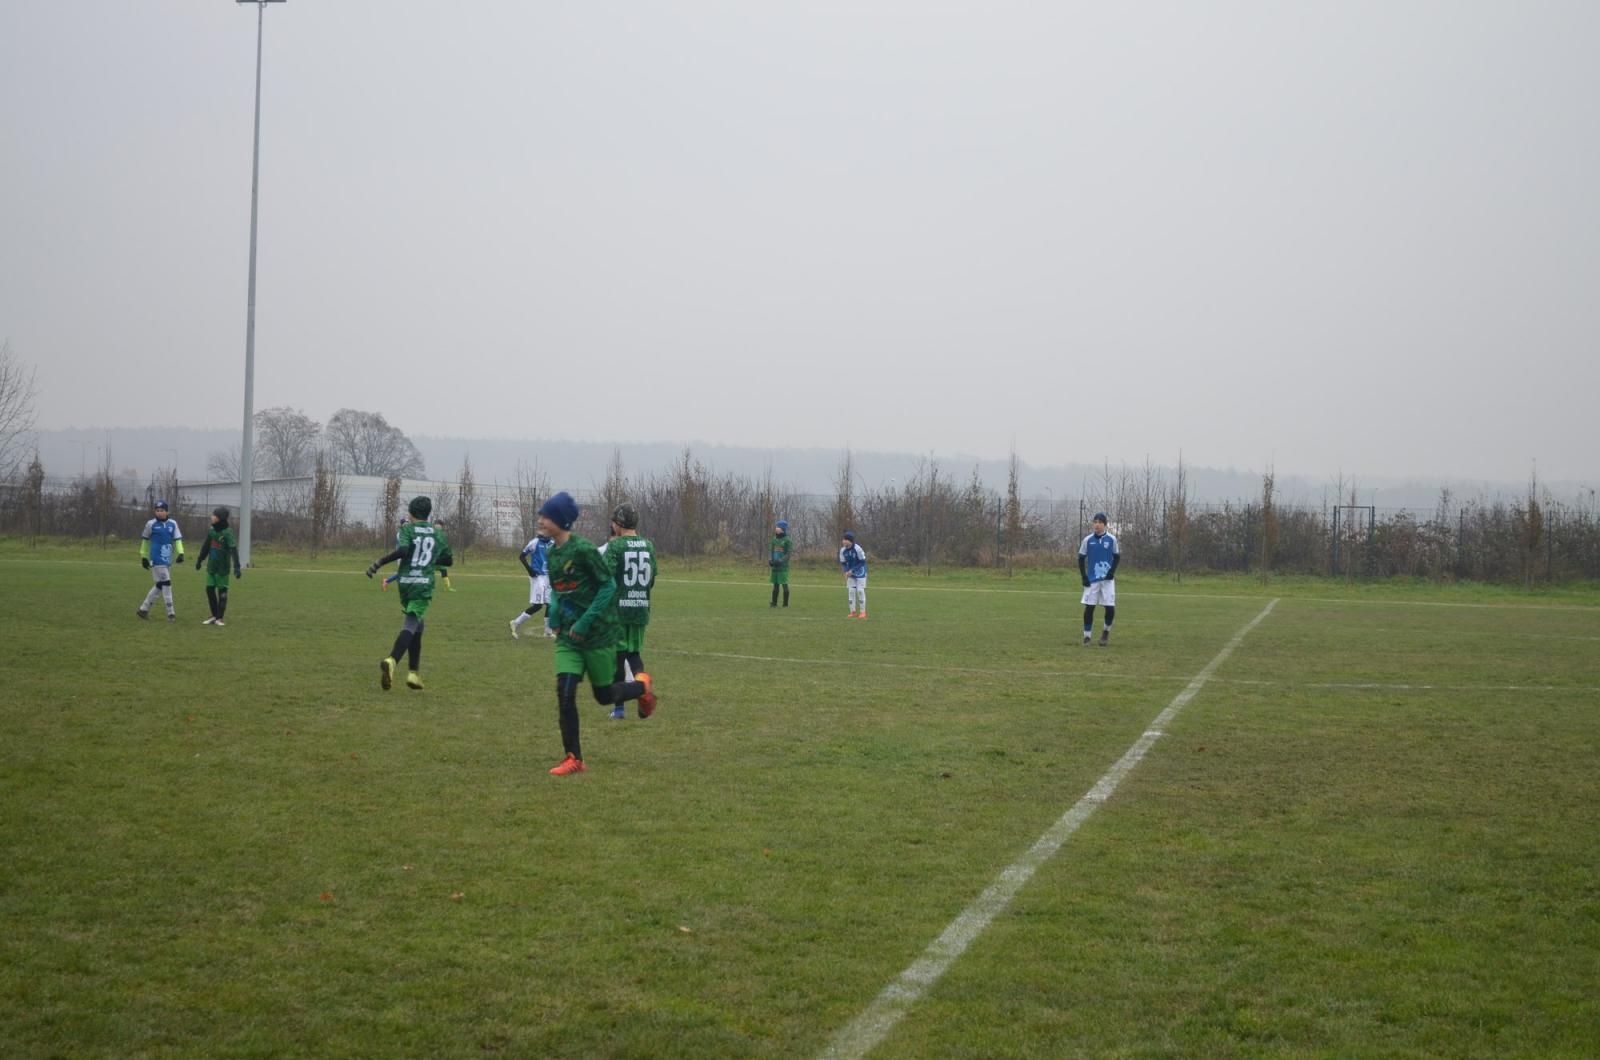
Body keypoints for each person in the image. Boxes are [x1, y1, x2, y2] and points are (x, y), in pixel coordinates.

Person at [539, 491, 655, 776]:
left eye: (546, 516)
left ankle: (641, 688)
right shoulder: (553, 552)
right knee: (565, 692)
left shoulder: (587, 550)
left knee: (604, 694)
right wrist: (555, 616)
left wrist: (585, 621)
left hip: (599, 632)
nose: (541, 520)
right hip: (571, 637)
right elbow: (557, 589)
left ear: (560, 521)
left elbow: (607, 587)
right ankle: (573, 758)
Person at [365, 496, 453, 690]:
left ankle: (413, 674)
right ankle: (392, 660)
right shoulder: (438, 534)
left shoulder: (406, 529)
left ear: (411, 513)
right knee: (412, 622)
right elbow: (448, 561)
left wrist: (379, 562)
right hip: (423, 585)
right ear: (428, 513)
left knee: (418, 625)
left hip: (405, 584)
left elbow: (403, 551)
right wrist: (431, 557)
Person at [605, 502, 658, 720]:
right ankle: (643, 685)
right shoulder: (648, 545)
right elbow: (652, 577)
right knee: (634, 654)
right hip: (640, 608)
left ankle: (618, 709)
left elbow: (604, 576)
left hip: (618, 610)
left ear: (618, 524)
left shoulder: (616, 546)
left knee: (616, 659)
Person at [136, 499, 184, 621]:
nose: (159, 513)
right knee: (167, 583)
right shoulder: (150, 524)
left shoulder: (173, 523)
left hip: (167, 558)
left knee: (160, 585)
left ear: (167, 511)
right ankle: (171, 613)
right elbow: (145, 541)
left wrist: (181, 553)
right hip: (156, 559)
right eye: (157, 510)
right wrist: (143, 556)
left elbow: (177, 539)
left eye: (162, 510)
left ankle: (143, 609)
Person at [1078, 512, 1121, 646]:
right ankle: (1087, 636)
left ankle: (1105, 633)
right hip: (1092, 580)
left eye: (1100, 522)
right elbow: (1081, 558)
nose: (1097, 525)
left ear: (1105, 525)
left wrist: (1112, 572)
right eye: (1095, 522)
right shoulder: (1088, 540)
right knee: (1089, 608)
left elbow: (1117, 556)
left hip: (1107, 581)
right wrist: (1084, 576)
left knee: (1110, 608)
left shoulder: (1111, 539)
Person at [195, 506, 242, 626]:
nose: (212, 517)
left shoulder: (227, 532)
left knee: (222, 592)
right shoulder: (212, 531)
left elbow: (233, 549)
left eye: (214, 515)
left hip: (222, 568)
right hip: (211, 566)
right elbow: (206, 546)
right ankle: (214, 615)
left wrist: (237, 566)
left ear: (220, 518)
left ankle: (220, 618)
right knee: (209, 589)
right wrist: (200, 559)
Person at [510, 530, 554, 639]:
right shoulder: (535, 542)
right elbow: (522, 556)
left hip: (548, 577)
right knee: (538, 606)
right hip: (537, 577)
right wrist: (529, 570)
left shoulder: (552, 543)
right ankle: (515, 622)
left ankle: (548, 632)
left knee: (550, 604)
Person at [839, 531, 868, 618]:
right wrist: (846, 571)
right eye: (843, 539)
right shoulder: (843, 550)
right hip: (850, 572)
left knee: (860, 590)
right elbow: (843, 562)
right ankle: (853, 612)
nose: (843, 541)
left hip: (860, 571)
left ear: (850, 541)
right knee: (851, 591)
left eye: (845, 539)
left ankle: (863, 612)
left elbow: (862, 562)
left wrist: (853, 570)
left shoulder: (857, 549)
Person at [768, 519, 792, 608]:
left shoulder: (787, 540)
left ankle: (785, 604)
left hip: (783, 567)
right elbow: (771, 551)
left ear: (782, 529)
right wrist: (770, 560)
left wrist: (781, 561)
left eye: (777, 527)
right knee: (775, 585)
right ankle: (774, 603)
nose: (776, 528)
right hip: (775, 566)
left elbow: (788, 554)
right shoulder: (774, 540)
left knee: (784, 585)